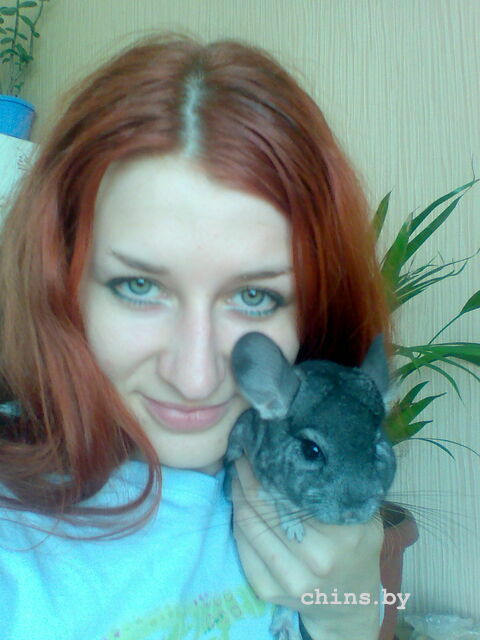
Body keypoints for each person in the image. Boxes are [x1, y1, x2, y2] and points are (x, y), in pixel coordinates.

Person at [0, 33, 393, 640]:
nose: (195, 379)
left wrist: (348, 617)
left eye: (255, 296)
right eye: (138, 286)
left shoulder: (326, 513)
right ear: (61, 285)